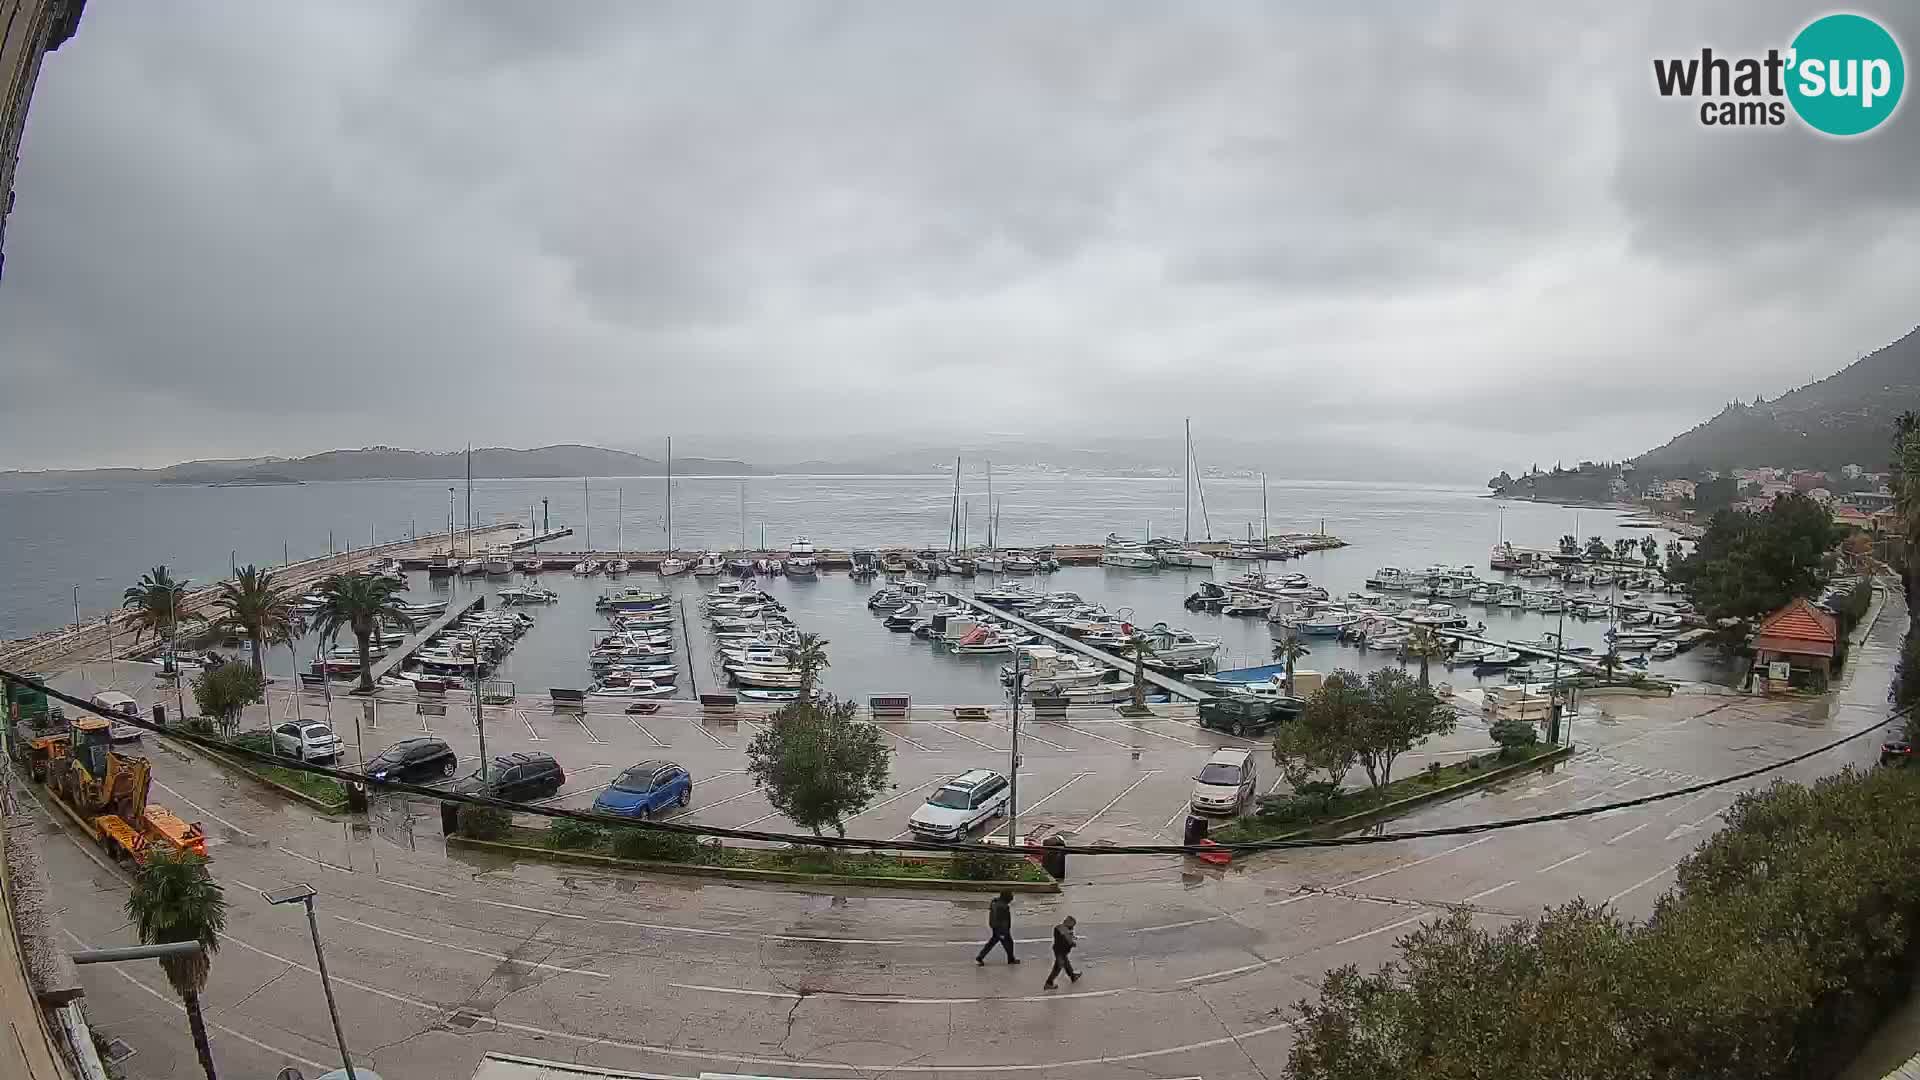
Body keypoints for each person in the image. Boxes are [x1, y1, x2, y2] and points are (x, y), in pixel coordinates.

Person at [975, 891, 1019, 965]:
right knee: (1006, 943)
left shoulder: (995, 902)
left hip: (996, 926)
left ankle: (1011, 959)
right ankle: (979, 958)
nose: (1012, 898)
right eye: (1011, 896)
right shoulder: (1003, 907)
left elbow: (993, 915)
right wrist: (1003, 932)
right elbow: (1003, 920)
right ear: (1006, 897)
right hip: (1001, 929)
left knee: (1002, 943)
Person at [1044, 914, 1080, 989]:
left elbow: (1066, 936)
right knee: (1058, 967)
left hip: (1060, 950)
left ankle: (1073, 976)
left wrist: (1071, 936)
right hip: (1060, 951)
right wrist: (1072, 942)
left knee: (1066, 963)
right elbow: (1069, 940)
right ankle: (1049, 983)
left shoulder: (1062, 928)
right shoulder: (1063, 929)